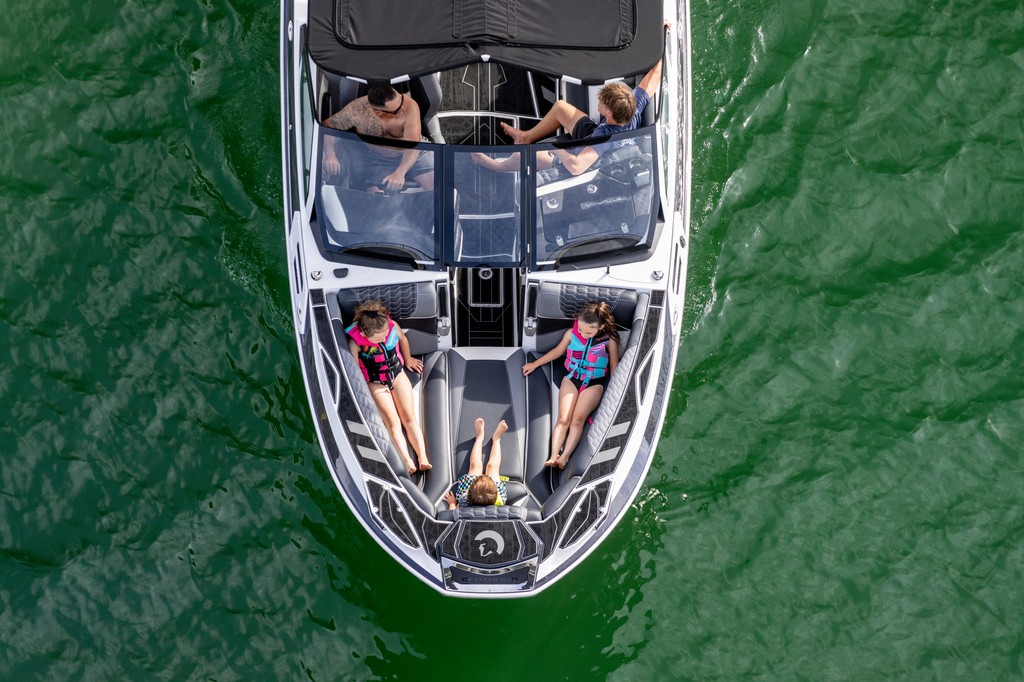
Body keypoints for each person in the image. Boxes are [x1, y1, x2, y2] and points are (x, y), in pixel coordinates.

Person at [471, 53, 664, 177]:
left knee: (524, 156)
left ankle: (491, 165)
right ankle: (525, 136)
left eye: (601, 103)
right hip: (594, 133)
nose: (598, 102)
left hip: (587, 162)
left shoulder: (603, 140)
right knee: (561, 108)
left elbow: (576, 167)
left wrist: (556, 148)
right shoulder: (633, 106)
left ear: (609, 112)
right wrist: (661, 37)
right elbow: (653, 79)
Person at [521, 301, 620, 469]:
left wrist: (616, 393)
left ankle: (565, 457)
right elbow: (558, 352)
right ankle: (554, 456)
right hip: (572, 378)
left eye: (589, 332)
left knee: (577, 420)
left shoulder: (609, 340)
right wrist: (535, 364)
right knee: (563, 419)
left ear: (601, 326)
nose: (583, 333)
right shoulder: (571, 334)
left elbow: (614, 368)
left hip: (594, 383)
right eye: (580, 329)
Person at [345, 300, 430, 475]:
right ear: (364, 333)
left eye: (385, 335)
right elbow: (354, 368)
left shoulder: (390, 325)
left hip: (397, 375)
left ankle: (423, 458)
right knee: (393, 422)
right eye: (379, 339)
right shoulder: (355, 342)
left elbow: (403, 339)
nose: (384, 339)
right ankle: (407, 461)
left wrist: (408, 360)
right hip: (376, 383)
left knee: (409, 417)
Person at [322, 84, 434, 192]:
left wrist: (400, 172)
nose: (403, 109)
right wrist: (330, 155)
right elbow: (328, 127)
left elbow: (413, 147)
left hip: (413, 153)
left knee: (434, 186)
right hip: (377, 158)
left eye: (400, 100)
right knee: (375, 195)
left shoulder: (410, 106)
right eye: (397, 110)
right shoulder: (356, 110)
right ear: (378, 113)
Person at [443, 419, 509, 508]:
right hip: (493, 494)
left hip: (477, 493)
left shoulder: (464, 501)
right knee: (492, 466)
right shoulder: (498, 500)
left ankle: (479, 437)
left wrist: (452, 503)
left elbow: (453, 513)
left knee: (475, 465)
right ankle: (496, 439)